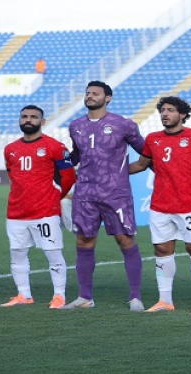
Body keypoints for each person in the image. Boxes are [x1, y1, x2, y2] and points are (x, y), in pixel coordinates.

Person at [128, 96, 191, 314]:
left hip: (189, 204)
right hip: (160, 204)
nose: (165, 114)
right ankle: (165, 300)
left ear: (183, 114)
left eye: (170, 110)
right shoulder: (153, 139)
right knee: (162, 250)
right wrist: (111, 172)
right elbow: (141, 164)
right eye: (163, 110)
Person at [63, 81, 146, 311]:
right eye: (88, 93)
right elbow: (76, 155)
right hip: (85, 193)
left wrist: (126, 171)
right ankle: (85, 297)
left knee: (125, 240)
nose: (90, 96)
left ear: (107, 98)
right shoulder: (76, 126)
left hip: (115, 194)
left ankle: (135, 297)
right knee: (84, 241)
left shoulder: (123, 124)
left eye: (95, 93)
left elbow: (147, 152)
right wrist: (60, 161)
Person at [0, 105, 76, 308]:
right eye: (24, 116)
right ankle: (23, 295)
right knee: (17, 253)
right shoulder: (10, 149)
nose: (28, 120)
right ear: (19, 120)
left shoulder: (55, 146)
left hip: (45, 212)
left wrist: (55, 197)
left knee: (53, 253)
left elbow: (69, 176)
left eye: (33, 117)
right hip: (16, 212)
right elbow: (13, 176)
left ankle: (59, 296)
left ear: (42, 122)